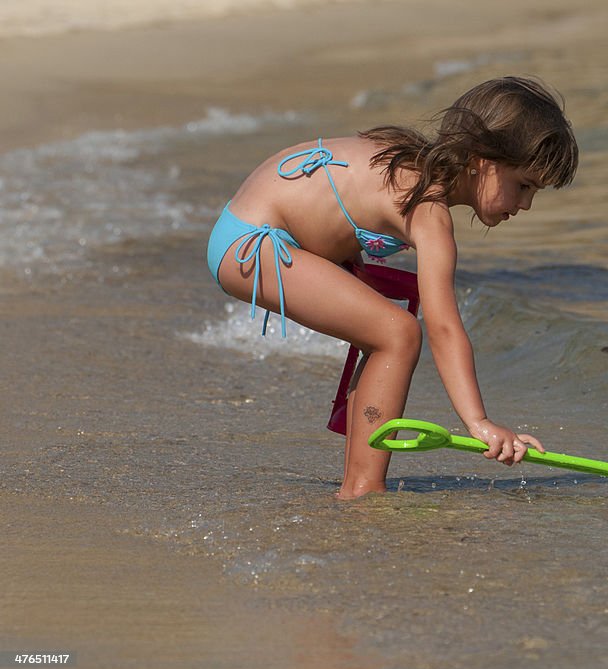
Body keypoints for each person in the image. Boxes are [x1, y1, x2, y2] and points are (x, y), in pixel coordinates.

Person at [205, 76, 579, 498]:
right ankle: (363, 489)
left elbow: (335, 202)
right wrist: (479, 423)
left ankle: (356, 483)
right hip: (253, 243)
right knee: (398, 332)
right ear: (481, 161)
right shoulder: (428, 209)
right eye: (523, 185)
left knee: (384, 328)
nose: (525, 204)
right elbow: (444, 329)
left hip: (251, 231)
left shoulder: (412, 164)